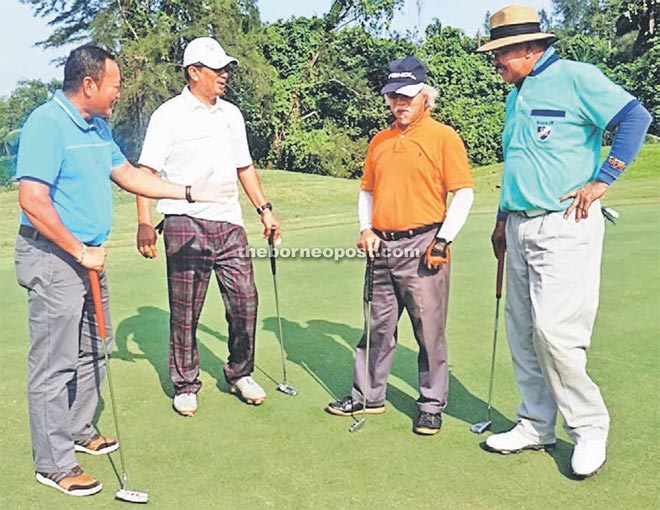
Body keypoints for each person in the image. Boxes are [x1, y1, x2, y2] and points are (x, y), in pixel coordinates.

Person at [15, 45, 229, 496]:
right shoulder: (46, 123)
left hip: (87, 256)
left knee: (96, 346)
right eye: (114, 84)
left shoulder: (97, 126)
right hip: (56, 256)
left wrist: (188, 191)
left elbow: (130, 174)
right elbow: (32, 201)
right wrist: (78, 249)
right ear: (89, 84)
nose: (119, 93)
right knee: (54, 363)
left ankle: (78, 429)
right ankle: (53, 463)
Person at [475, 5, 652, 478]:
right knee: (523, 332)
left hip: (564, 224)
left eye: (501, 55)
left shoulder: (577, 77)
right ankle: (535, 423)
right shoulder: (516, 94)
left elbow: (636, 118)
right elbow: (520, 162)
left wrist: (603, 178)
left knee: (556, 333)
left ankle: (590, 428)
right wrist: (500, 218)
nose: (496, 64)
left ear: (530, 48)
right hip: (518, 225)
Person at [327, 56, 474, 435]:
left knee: (428, 331)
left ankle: (430, 404)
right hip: (382, 245)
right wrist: (366, 228)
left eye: (407, 96)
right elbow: (367, 191)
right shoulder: (380, 140)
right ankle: (367, 395)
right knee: (377, 326)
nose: (399, 103)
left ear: (425, 96)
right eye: (393, 96)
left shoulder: (444, 137)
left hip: (425, 241)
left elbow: (463, 193)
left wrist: (444, 238)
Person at [135, 37, 280, 417]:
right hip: (184, 220)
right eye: (217, 69)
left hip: (230, 222)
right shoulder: (167, 115)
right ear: (194, 72)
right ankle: (185, 383)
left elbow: (244, 166)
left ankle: (239, 372)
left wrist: (264, 209)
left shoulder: (231, 114)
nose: (225, 74)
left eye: (226, 68)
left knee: (246, 302)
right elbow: (144, 173)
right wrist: (144, 222)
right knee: (186, 310)